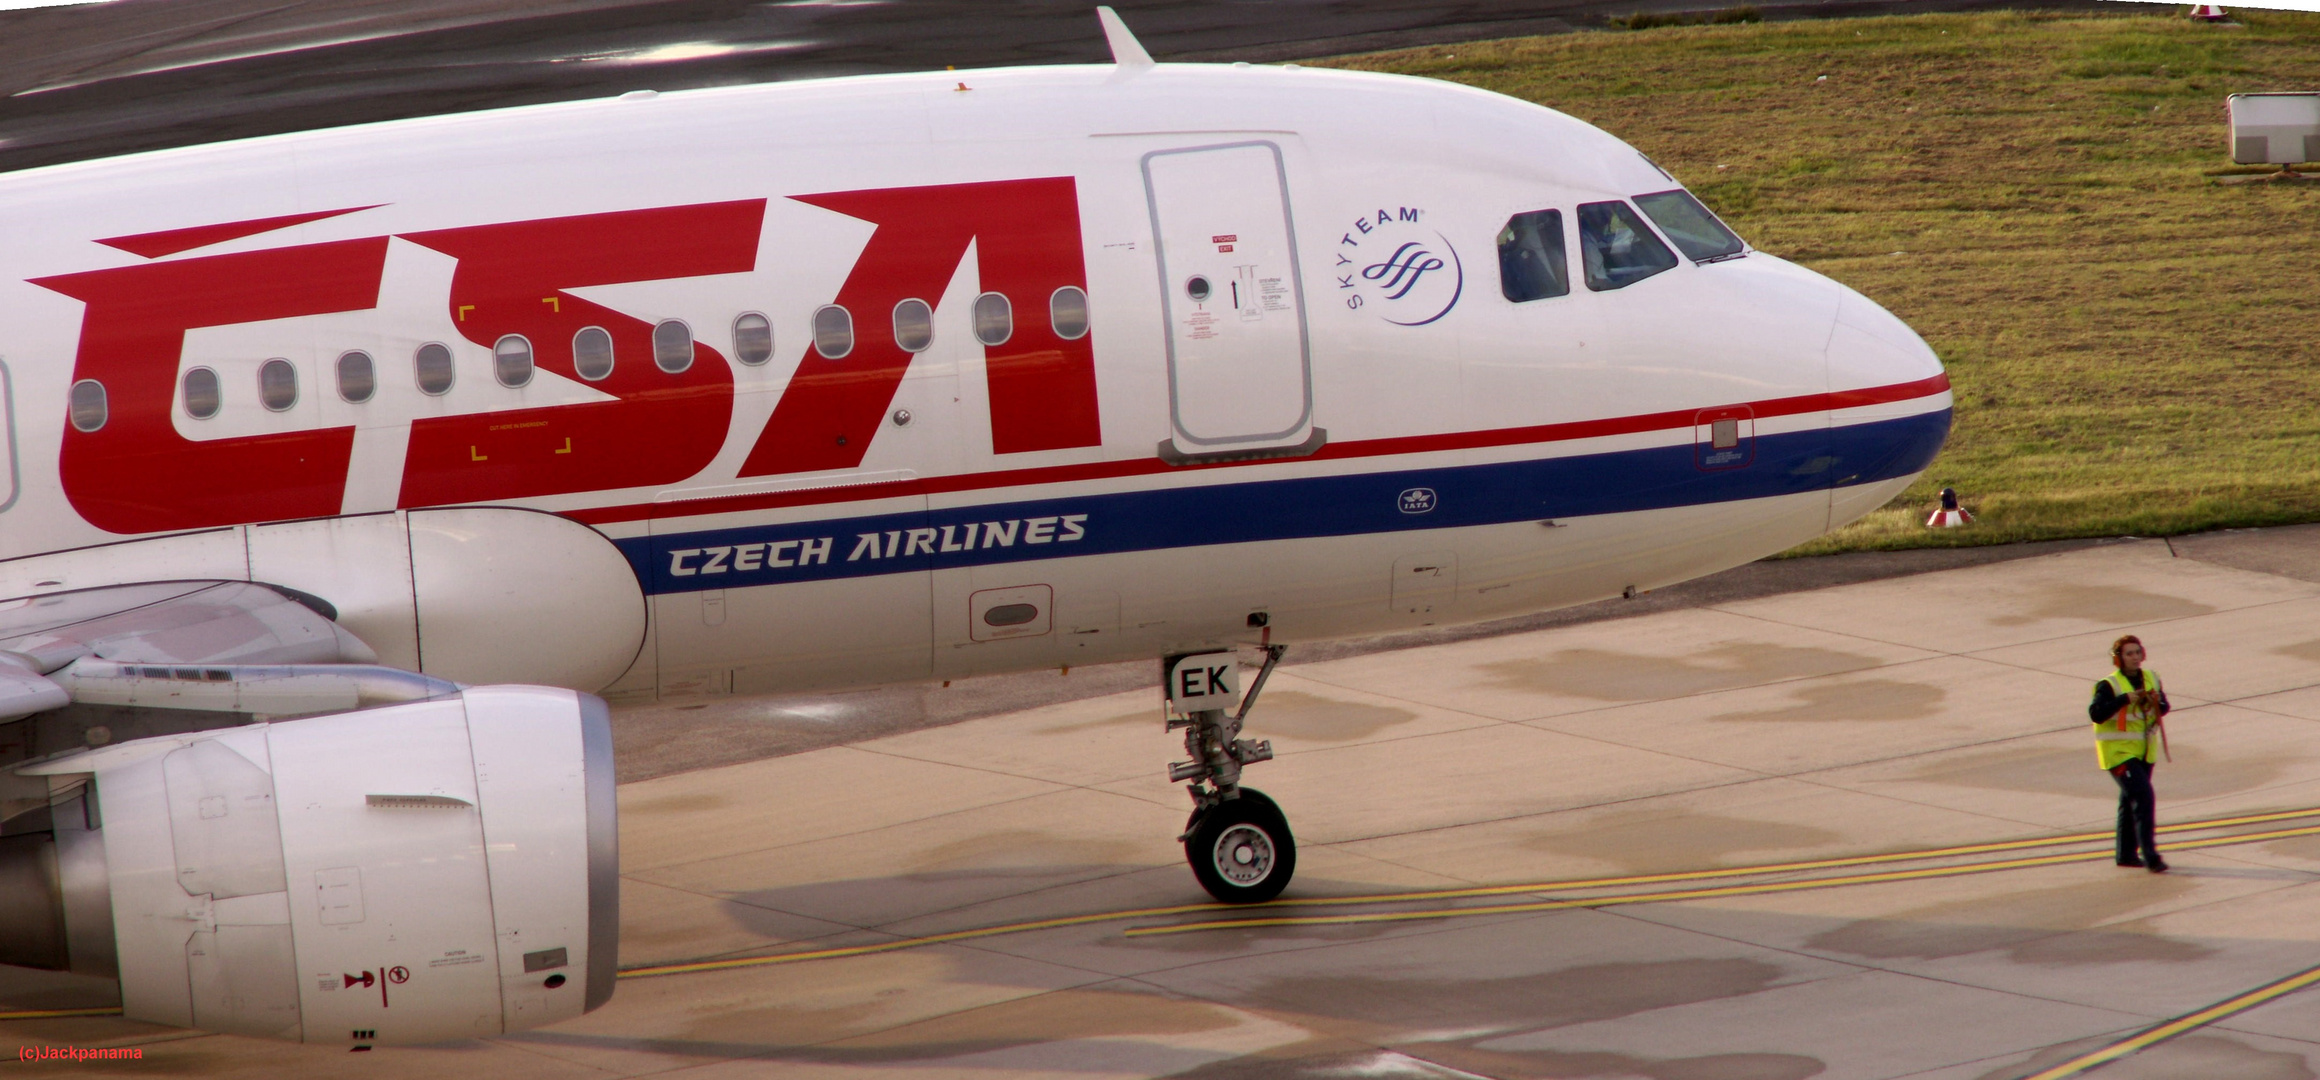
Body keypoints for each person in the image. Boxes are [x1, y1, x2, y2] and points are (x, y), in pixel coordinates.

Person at [2089, 634, 2169, 872]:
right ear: (2119, 659)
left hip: (2144, 752)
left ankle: (2125, 855)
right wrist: (2123, 700)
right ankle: (2151, 856)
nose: (2134, 657)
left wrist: (2153, 702)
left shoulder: (2151, 678)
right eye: (2128, 654)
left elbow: (2165, 707)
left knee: (2129, 800)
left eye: (2137, 652)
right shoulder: (2109, 685)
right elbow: (2096, 713)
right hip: (2118, 753)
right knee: (2144, 798)